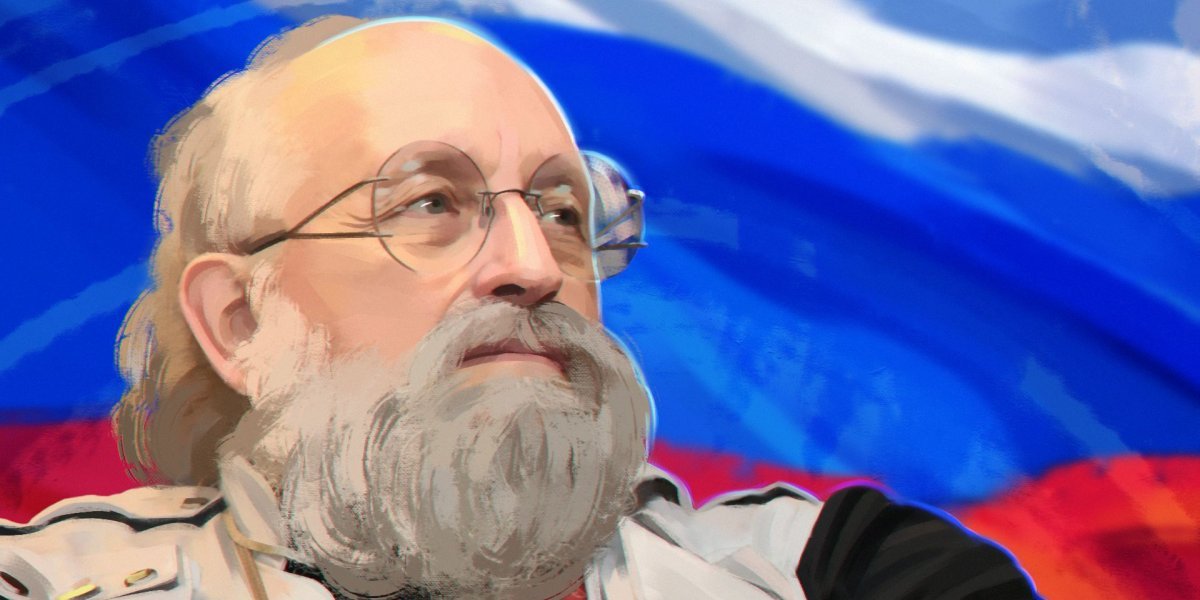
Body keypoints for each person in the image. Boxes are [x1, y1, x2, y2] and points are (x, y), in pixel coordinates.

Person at [0, 15, 1039, 600]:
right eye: (430, 203)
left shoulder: (841, 577)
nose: (532, 264)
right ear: (240, 321)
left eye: (561, 209)